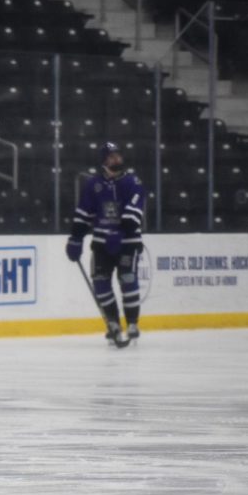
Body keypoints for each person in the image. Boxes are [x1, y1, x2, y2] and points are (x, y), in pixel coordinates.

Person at [65, 142, 146, 345]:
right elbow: (83, 213)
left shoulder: (133, 182)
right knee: (100, 282)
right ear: (104, 160)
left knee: (127, 279)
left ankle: (133, 323)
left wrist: (119, 232)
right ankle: (113, 323)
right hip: (101, 243)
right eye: (112, 156)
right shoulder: (93, 184)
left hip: (128, 241)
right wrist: (75, 238)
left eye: (118, 155)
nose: (117, 159)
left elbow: (134, 212)